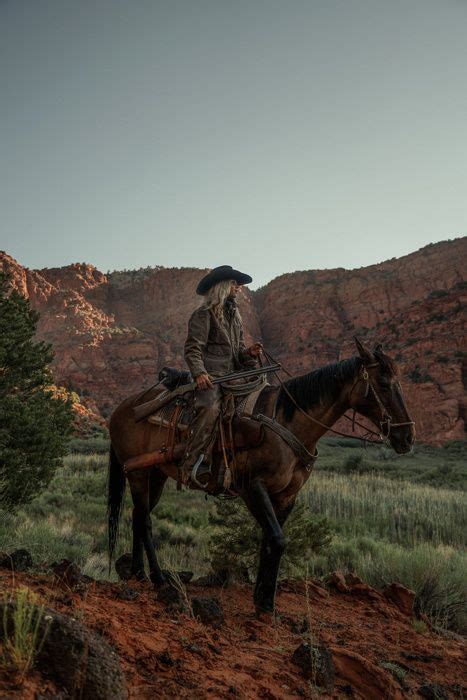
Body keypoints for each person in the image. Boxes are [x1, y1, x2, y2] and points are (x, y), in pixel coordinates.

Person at [181, 265, 262, 486]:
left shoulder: (235, 317)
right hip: (211, 378)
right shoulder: (203, 315)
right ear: (224, 286)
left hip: (233, 376)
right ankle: (194, 466)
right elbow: (193, 349)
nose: (239, 287)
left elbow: (237, 353)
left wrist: (249, 354)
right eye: (235, 283)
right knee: (210, 409)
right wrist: (199, 374)